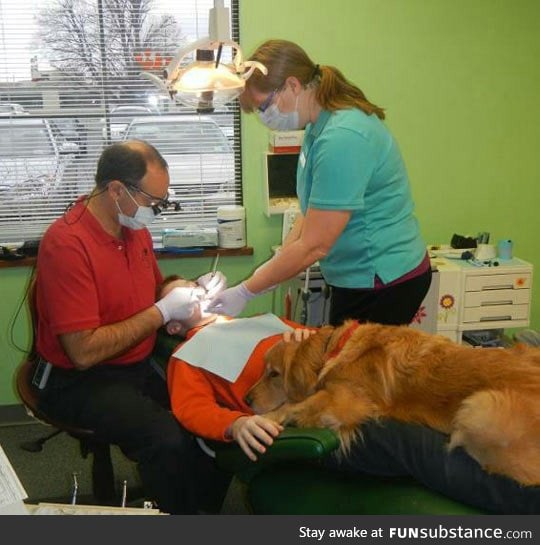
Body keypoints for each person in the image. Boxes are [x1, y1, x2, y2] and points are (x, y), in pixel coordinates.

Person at [163, 290, 540, 514]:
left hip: (343, 390)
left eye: (198, 287)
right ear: (173, 326)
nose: (195, 291)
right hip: (313, 420)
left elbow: (330, 347)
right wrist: (235, 424)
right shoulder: (187, 355)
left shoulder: (263, 320)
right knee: (408, 440)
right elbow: (191, 410)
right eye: (182, 292)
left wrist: (310, 348)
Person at [33, 140, 226, 514]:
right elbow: (83, 351)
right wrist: (159, 312)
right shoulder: (67, 244)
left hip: (136, 362)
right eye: (153, 200)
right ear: (117, 189)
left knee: (212, 410)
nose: (156, 210)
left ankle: (202, 509)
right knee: (166, 438)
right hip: (78, 379)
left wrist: (183, 292)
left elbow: (153, 291)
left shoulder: (134, 229)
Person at [208, 39, 431, 327]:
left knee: (352, 369)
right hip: (356, 274)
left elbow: (314, 246)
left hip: (382, 278)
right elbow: (311, 209)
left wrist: (247, 290)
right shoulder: (317, 126)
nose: (264, 118)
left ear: (292, 85)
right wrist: (273, 271)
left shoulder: (343, 137)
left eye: (264, 106)